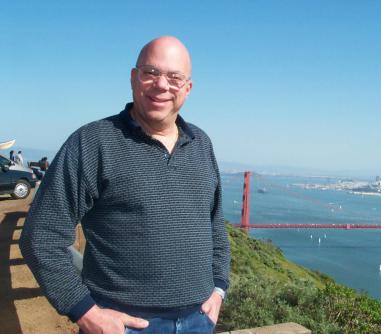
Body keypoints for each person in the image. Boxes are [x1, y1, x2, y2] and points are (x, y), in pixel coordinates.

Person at [20, 36, 230, 334]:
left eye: (174, 77)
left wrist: (219, 288)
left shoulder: (201, 144)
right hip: (122, 326)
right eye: (151, 73)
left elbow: (215, 226)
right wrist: (85, 312)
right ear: (134, 78)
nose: (162, 85)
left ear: (188, 88)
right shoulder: (93, 142)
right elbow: (40, 236)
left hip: (199, 320)